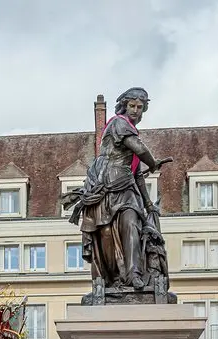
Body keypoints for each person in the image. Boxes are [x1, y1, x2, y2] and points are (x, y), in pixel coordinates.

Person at [62, 87, 172, 296]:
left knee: (131, 223)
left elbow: (137, 174)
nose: (136, 111)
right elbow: (140, 149)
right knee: (105, 236)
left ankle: (133, 275)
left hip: (126, 187)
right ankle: (112, 278)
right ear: (124, 106)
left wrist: (148, 203)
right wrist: (154, 163)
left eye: (140, 107)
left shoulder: (130, 130)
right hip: (106, 185)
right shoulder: (119, 123)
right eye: (132, 106)